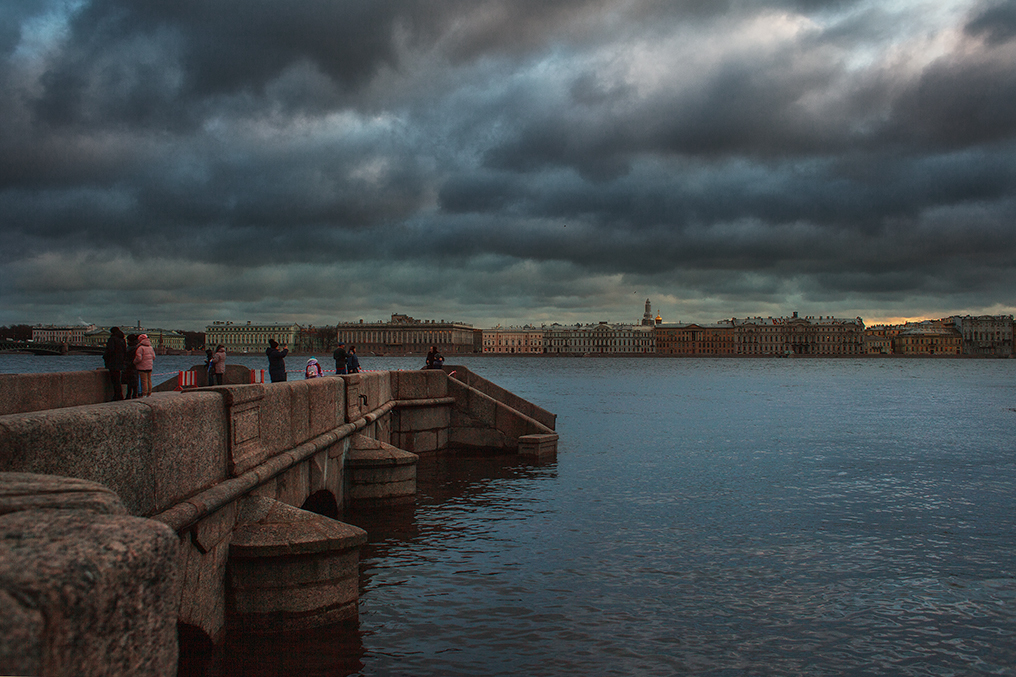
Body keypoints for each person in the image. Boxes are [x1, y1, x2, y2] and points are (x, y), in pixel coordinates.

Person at [103, 326, 127, 401]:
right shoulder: (122, 340)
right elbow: (125, 352)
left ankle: (117, 395)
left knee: (115, 380)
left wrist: (105, 357)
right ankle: (120, 395)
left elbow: (110, 350)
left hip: (113, 363)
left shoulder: (112, 339)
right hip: (120, 362)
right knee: (118, 380)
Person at [124, 334, 140, 399]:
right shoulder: (137, 347)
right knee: (134, 380)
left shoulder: (131, 348)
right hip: (135, 366)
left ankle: (129, 395)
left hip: (130, 366)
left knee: (130, 381)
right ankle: (135, 394)